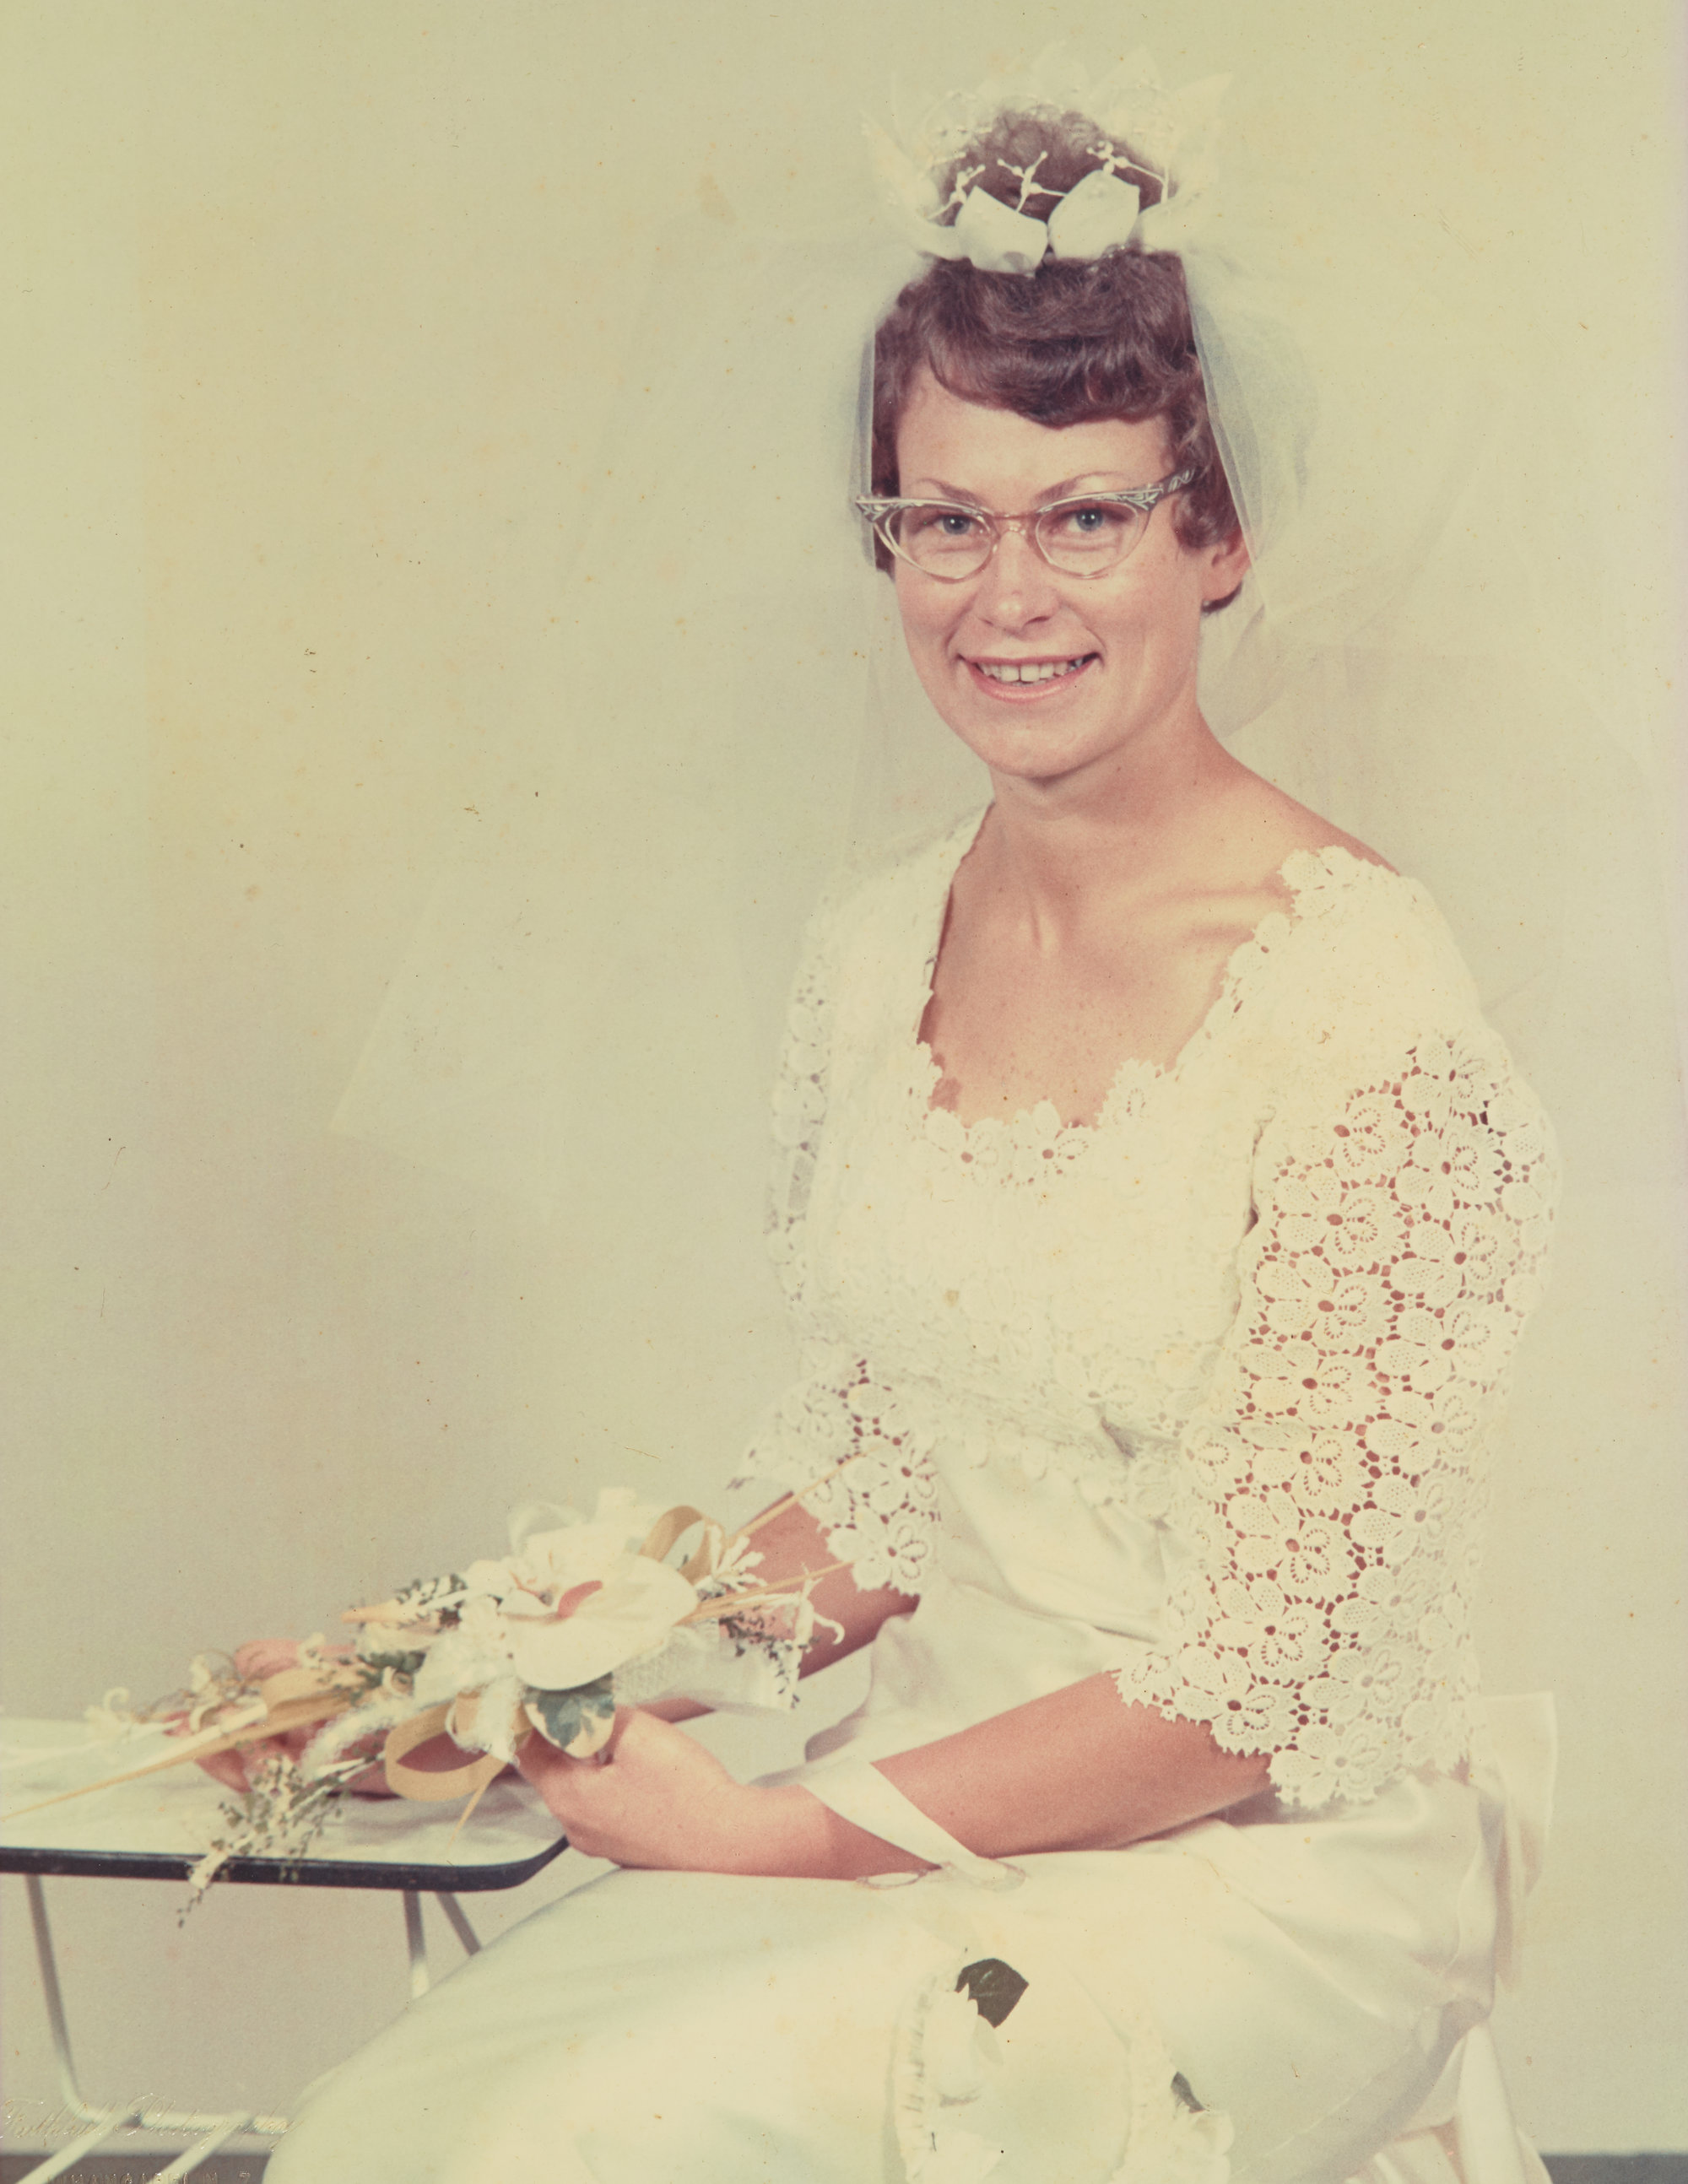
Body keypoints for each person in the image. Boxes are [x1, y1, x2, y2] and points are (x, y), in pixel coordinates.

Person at [269, 75, 1561, 2184]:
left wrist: (782, 1832)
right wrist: (481, 1679)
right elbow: (884, 1490)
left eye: (1084, 514)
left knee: (615, 2139)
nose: (1003, 591)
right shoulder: (875, 954)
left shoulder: (1361, 1005)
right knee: (398, 2131)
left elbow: (1249, 1694)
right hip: (922, 1809)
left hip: (1257, 1871)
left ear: (1214, 535)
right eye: (942, 520)